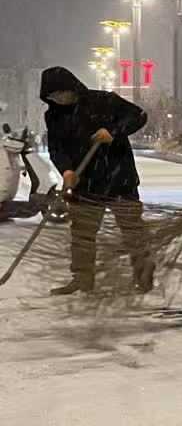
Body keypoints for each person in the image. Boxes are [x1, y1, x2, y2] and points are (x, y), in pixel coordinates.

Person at [39, 66, 154, 295]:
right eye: (52, 97)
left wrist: (113, 130)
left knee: (133, 232)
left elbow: (139, 115)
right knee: (82, 235)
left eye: (61, 93)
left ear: (72, 87)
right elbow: (56, 147)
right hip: (86, 183)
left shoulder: (104, 100)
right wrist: (67, 171)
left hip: (119, 177)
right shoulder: (53, 115)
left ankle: (144, 279)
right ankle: (82, 280)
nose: (59, 100)